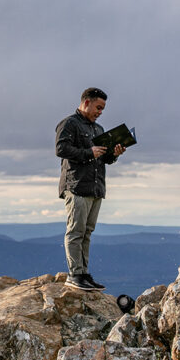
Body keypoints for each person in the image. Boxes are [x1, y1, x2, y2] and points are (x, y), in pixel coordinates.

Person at [55, 87, 126, 291]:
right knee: (76, 231)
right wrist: (89, 152)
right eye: (98, 107)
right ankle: (74, 273)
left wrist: (115, 153)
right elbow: (60, 149)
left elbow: (104, 159)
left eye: (102, 109)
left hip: (95, 187)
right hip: (76, 185)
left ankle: (84, 274)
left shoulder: (99, 130)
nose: (100, 112)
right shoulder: (69, 123)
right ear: (86, 102)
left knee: (87, 232)